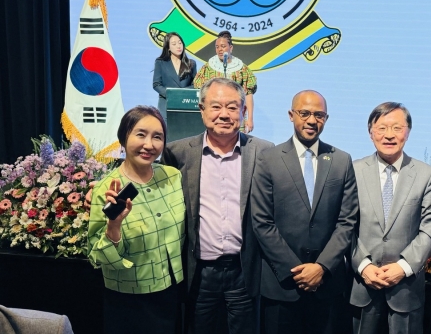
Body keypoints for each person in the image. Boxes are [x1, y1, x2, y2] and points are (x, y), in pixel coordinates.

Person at [162, 78, 274, 334]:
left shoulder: (265, 152)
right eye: (215, 107)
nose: (224, 114)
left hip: (244, 271)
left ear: (244, 112)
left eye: (233, 107)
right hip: (199, 272)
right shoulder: (177, 153)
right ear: (201, 110)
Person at [251, 90, 358, 334]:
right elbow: (262, 222)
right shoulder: (269, 159)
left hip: (327, 284)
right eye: (305, 113)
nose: (312, 120)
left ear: (326, 119)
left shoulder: (341, 160)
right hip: (282, 284)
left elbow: (346, 222)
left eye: (319, 115)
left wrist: (321, 267)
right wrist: (297, 271)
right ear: (291, 115)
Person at [88, 106, 185, 334]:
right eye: (140, 134)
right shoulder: (107, 189)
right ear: (124, 137)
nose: (149, 145)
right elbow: (97, 256)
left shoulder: (172, 177)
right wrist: (114, 226)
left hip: (172, 292)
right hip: (129, 299)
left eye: (157, 137)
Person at [350, 102, 431, 334]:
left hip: (406, 288)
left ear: (408, 132)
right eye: (381, 128)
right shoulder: (353, 170)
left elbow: (430, 227)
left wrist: (403, 267)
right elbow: (345, 225)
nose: (389, 135)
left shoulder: (426, 175)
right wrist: (363, 265)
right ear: (371, 132)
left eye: (397, 128)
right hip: (364, 284)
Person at [193, 31, 257, 133]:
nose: (220, 49)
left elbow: (248, 94)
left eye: (223, 46)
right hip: (214, 115)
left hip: (235, 115)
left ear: (230, 48)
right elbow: (200, 94)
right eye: (217, 47)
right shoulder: (208, 68)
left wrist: (250, 118)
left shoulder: (242, 69)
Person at [153, 32, 197, 120]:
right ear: (168, 47)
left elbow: (195, 84)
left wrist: (181, 94)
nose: (178, 46)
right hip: (166, 103)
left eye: (180, 43)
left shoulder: (191, 63)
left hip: (185, 103)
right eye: (174, 44)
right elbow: (156, 84)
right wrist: (171, 94)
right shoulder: (160, 62)